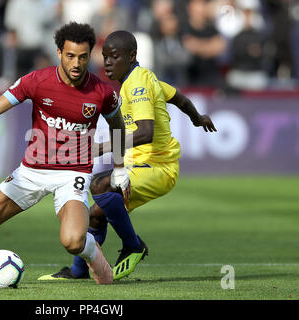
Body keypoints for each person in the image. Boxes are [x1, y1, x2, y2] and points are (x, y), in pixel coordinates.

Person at [0, 22, 130, 286]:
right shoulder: (37, 81)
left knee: (73, 241)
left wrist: (119, 168)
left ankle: (97, 258)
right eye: (70, 56)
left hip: (73, 174)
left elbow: (118, 127)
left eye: (83, 57)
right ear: (59, 52)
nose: (77, 63)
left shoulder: (102, 92)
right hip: (31, 172)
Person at [39, 30, 217, 282]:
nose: (108, 63)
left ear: (131, 56)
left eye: (115, 57)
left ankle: (133, 245)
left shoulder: (138, 83)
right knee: (94, 213)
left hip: (157, 167)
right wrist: (198, 118)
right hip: (140, 164)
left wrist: (99, 148)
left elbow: (145, 132)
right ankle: (78, 272)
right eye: (105, 56)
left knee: (100, 185)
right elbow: (178, 98)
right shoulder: (140, 79)